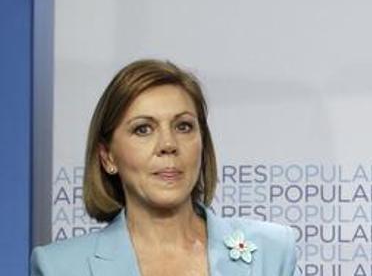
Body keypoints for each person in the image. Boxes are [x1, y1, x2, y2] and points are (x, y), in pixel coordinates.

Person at [31, 59, 298, 276]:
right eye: (143, 129)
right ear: (108, 157)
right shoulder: (60, 268)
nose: (168, 144)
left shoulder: (272, 253)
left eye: (183, 126)